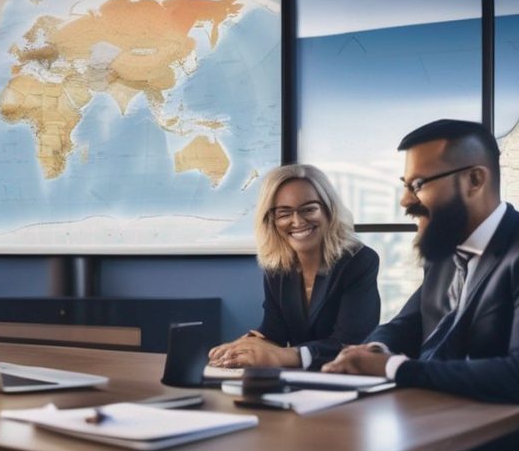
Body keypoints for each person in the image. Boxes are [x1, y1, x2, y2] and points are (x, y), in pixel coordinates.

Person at [323, 119, 519, 404]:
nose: (404, 201)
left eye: (418, 184)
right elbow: (407, 324)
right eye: (405, 185)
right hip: (425, 414)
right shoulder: (445, 252)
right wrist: (374, 349)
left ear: (474, 180)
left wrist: (394, 368)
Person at [208, 164, 380, 370]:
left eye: (309, 209)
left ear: (328, 211)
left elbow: (351, 342)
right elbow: (275, 332)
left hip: (350, 377)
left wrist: (283, 356)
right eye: (284, 213)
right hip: (299, 382)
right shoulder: (277, 267)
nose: (297, 221)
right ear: (271, 220)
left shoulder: (359, 260)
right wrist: (244, 346)